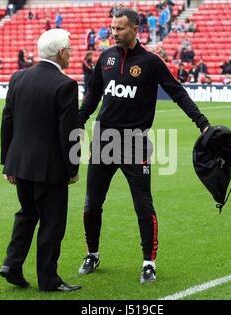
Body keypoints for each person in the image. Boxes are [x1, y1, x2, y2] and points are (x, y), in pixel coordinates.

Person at [78, 8, 210, 283]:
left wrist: (202, 122)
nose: (114, 33)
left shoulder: (151, 62)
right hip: (103, 140)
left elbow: (177, 93)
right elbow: (91, 97)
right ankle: (92, 253)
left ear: (136, 29)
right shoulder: (105, 58)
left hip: (135, 142)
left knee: (143, 205)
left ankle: (149, 262)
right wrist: (76, 123)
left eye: (120, 28)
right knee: (92, 204)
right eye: (112, 28)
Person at [0, 28, 81, 292]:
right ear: (60, 53)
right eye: (68, 48)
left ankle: (12, 264)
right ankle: (48, 280)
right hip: (50, 167)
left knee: (27, 213)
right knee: (52, 222)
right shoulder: (65, 84)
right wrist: (73, 168)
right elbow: (67, 132)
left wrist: (8, 163)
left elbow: (8, 121)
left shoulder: (18, 78)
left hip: (20, 163)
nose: (71, 52)